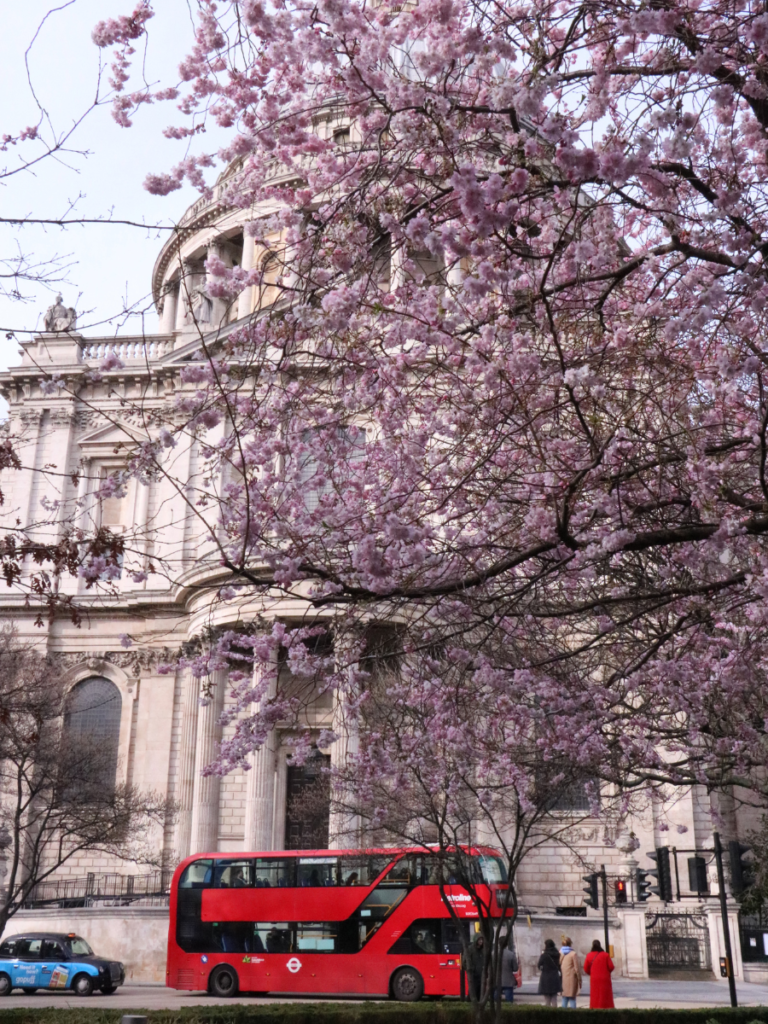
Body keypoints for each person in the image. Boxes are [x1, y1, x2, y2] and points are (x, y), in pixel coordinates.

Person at [584, 939, 615, 1009]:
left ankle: (595, 1007)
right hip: (605, 978)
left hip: (594, 978)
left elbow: (585, 968)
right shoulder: (606, 955)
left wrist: (592, 973)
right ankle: (607, 1007)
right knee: (605, 995)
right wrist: (606, 972)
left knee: (595, 995)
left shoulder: (589, 955)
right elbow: (611, 967)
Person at [537, 938, 562, 1007]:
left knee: (547, 998)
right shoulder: (557, 954)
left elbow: (539, 965)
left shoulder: (544, 955)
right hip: (555, 977)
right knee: (554, 997)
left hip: (546, 977)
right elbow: (559, 965)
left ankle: (548, 1013)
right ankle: (555, 1013)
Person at [463, 933, 486, 1002]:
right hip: (474, 975)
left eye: (482, 940)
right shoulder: (470, 949)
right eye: (479, 940)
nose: (481, 941)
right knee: (473, 992)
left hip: (481, 975)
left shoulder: (483, 950)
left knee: (480, 992)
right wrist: (471, 970)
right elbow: (464, 961)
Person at [559, 937, 582, 1008]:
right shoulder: (573, 954)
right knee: (572, 998)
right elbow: (577, 968)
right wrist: (579, 979)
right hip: (572, 978)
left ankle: (563, 1015)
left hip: (563, 978)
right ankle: (573, 1015)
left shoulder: (560, 953)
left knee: (564, 998)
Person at [499, 933, 519, 1003]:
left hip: (496, 981)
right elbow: (515, 968)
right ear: (506, 944)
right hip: (508, 981)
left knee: (496, 1001)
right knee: (509, 1002)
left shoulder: (493, 954)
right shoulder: (511, 954)